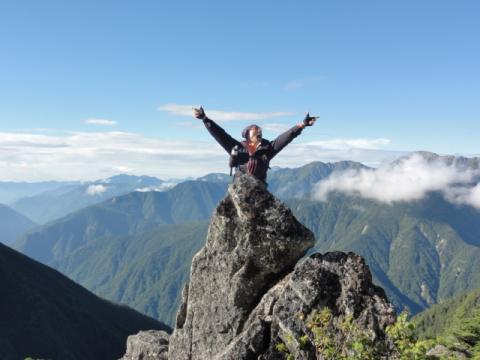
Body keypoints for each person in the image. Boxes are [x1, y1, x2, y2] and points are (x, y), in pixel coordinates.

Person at [193, 106, 317, 183]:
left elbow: (285, 137)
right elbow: (220, 135)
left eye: (260, 132)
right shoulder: (239, 148)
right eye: (257, 132)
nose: (259, 133)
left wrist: (302, 125)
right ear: (248, 135)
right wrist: (205, 119)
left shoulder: (268, 148)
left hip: (259, 189)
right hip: (240, 188)